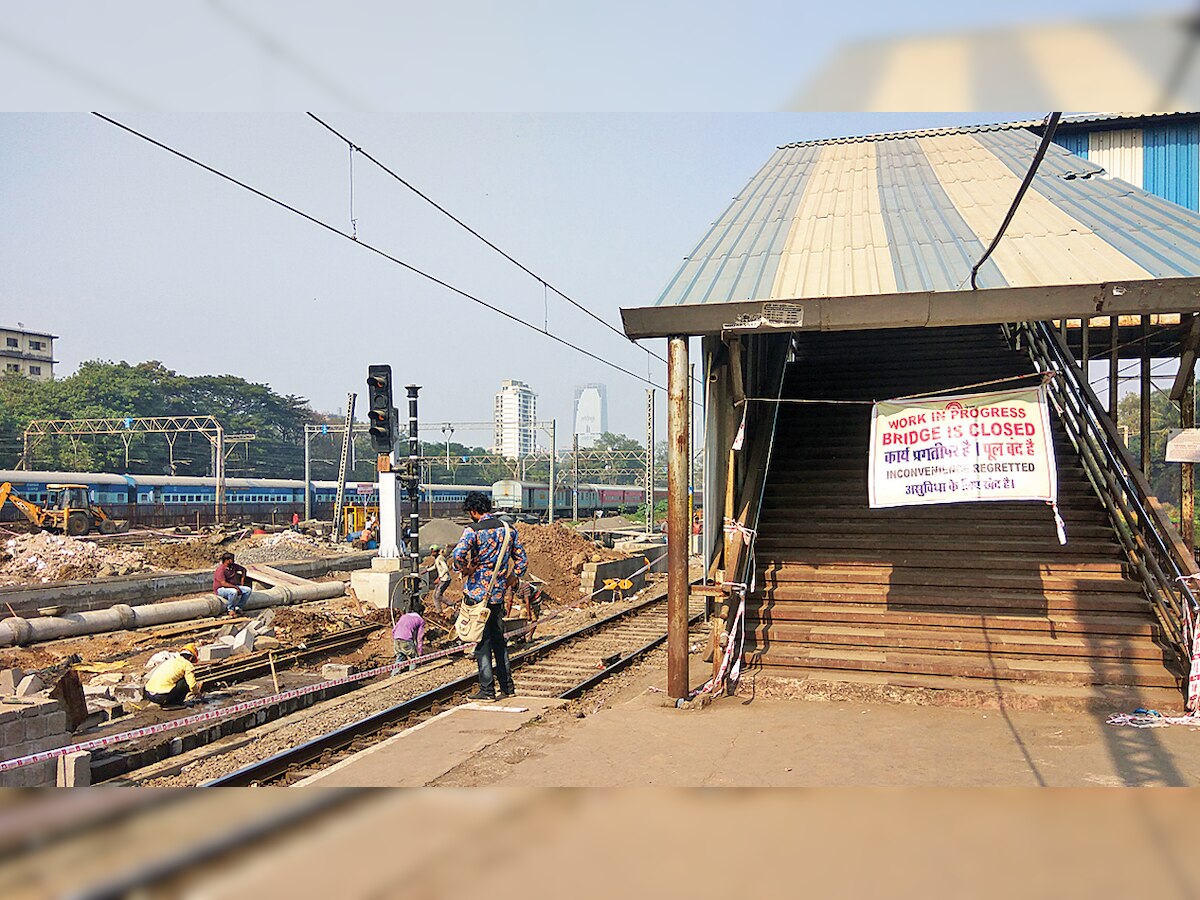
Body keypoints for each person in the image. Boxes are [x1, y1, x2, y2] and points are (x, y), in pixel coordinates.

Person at [452, 491, 527, 701]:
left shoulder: (472, 531)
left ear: (474, 511)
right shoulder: (508, 530)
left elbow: (457, 556)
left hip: (477, 596)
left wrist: (465, 569)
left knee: (481, 643)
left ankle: (486, 690)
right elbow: (522, 561)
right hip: (498, 595)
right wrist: (513, 577)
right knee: (499, 641)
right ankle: (507, 687)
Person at [213, 552, 251, 616]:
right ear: (227, 560)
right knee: (233, 592)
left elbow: (243, 569)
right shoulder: (220, 570)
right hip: (221, 589)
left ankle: (238, 607)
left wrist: (242, 581)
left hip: (232, 586)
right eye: (232, 559)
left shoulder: (233, 566)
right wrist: (236, 587)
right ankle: (230, 609)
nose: (233, 561)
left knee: (248, 590)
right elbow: (223, 583)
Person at [424, 545, 452, 617]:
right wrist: (427, 570)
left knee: (438, 595)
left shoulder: (440, 559)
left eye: (434, 552)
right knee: (434, 596)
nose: (432, 553)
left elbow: (446, 569)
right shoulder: (437, 559)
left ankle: (451, 604)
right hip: (442, 579)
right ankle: (439, 611)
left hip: (445, 579)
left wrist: (439, 577)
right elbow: (435, 566)